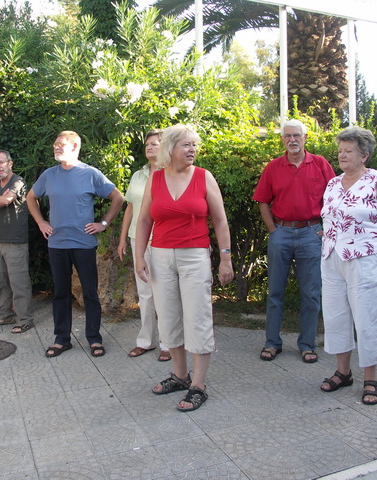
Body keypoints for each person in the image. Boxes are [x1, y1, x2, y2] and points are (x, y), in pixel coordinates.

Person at [135, 124, 234, 412]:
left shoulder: (203, 177)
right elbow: (144, 220)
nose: (192, 150)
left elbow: (220, 220)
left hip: (194, 256)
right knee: (168, 318)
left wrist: (225, 258)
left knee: (197, 318)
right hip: (160, 256)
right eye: (186, 145)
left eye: (194, 145)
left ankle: (198, 385)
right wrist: (139, 256)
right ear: (171, 148)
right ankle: (180, 376)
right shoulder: (156, 179)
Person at [319, 126, 377, 406]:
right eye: (340, 151)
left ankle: (370, 378)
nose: (342, 155)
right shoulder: (333, 183)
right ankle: (343, 372)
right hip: (332, 258)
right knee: (335, 315)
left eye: (348, 151)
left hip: (366, 259)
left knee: (366, 318)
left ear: (364, 155)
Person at [27, 131, 124, 358]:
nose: (56, 147)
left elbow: (118, 197)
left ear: (74, 147)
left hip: (83, 243)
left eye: (60, 144)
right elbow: (31, 197)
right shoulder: (49, 175)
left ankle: (94, 338)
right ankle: (62, 339)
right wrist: (41, 222)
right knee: (60, 293)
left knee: (90, 293)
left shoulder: (90, 174)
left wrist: (103, 223)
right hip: (57, 244)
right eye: (55, 144)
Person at [253, 119, 335, 363]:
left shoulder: (320, 164)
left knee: (311, 293)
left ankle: (307, 345)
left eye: (296, 135)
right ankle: (272, 343)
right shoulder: (273, 167)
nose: (292, 140)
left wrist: (326, 228)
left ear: (305, 137)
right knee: (275, 291)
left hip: (312, 234)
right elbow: (262, 201)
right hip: (282, 233)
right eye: (287, 136)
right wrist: (273, 230)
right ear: (282, 140)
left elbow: (334, 198)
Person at [118, 129, 171, 362]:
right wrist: (122, 239)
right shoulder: (138, 175)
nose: (150, 147)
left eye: (155, 143)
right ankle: (146, 341)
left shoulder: (171, 173)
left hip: (163, 240)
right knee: (145, 293)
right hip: (137, 239)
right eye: (148, 144)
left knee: (165, 293)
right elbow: (130, 208)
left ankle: (168, 343)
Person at [0, 150, 35, 333]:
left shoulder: (18, 181)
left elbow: (6, 200)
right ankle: (5, 315)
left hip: (16, 241)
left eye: (1, 162)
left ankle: (25, 319)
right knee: (1, 282)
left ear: (10, 164)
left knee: (19, 282)